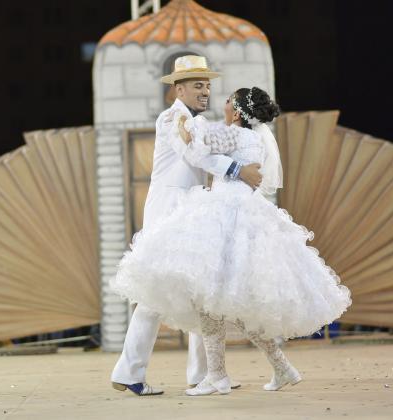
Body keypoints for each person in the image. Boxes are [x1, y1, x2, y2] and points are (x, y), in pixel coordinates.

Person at [111, 87, 352, 396]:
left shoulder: (233, 135)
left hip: (225, 215)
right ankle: (275, 369)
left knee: (212, 298)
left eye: (228, 101)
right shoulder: (253, 137)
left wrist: (190, 134)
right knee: (234, 301)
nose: (217, 100)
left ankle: (217, 376)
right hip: (243, 214)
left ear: (238, 112)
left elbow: (200, 153)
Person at [110, 55, 264, 396]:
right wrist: (239, 170)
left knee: (201, 288)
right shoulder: (172, 117)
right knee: (155, 293)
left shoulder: (198, 119)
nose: (205, 90)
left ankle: (204, 373)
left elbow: (208, 147)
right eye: (198, 85)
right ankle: (131, 371)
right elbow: (194, 154)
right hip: (170, 209)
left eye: (207, 84)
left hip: (190, 209)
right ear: (178, 89)